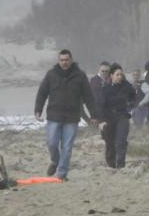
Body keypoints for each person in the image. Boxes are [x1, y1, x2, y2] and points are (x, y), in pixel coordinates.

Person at [33, 49, 100, 180]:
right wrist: (38, 109)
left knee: (67, 147)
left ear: (71, 60)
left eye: (66, 60)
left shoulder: (80, 76)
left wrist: (94, 115)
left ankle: (61, 175)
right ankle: (55, 161)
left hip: (72, 117)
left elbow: (88, 97)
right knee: (52, 143)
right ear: (59, 61)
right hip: (54, 115)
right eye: (62, 60)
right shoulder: (51, 74)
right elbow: (42, 92)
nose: (64, 62)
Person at [98, 64, 138, 169]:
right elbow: (101, 106)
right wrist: (101, 121)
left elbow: (134, 98)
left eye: (121, 74)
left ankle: (121, 164)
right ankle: (111, 164)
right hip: (108, 118)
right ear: (111, 75)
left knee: (121, 141)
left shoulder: (126, 86)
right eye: (117, 74)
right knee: (110, 143)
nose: (120, 76)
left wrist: (130, 110)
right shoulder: (105, 89)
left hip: (122, 116)